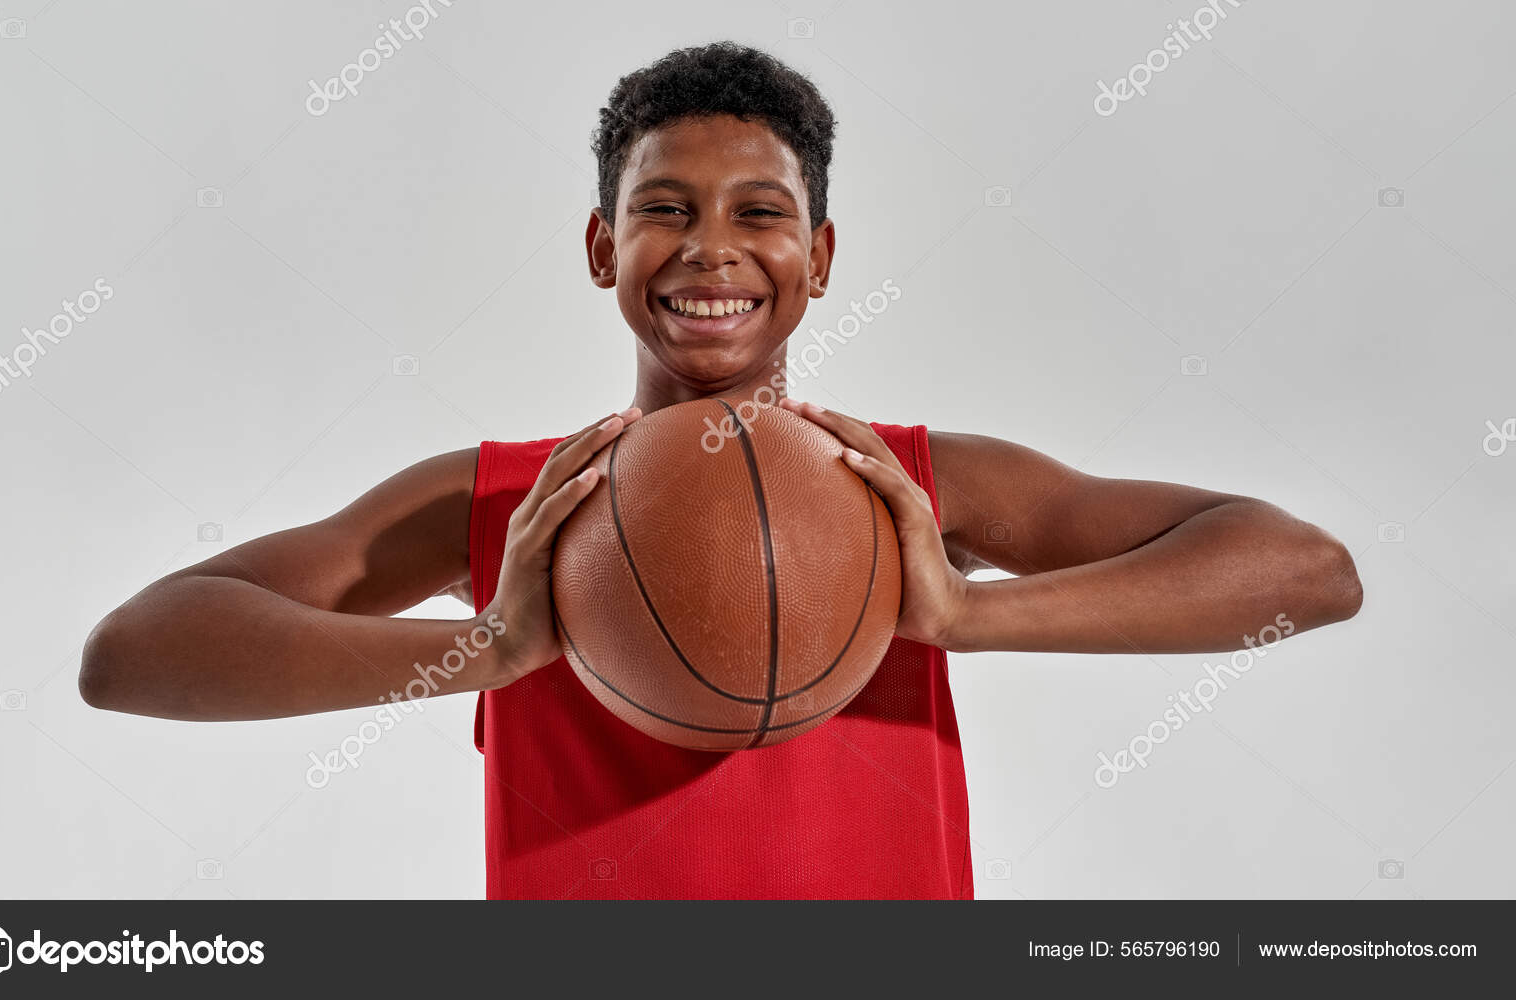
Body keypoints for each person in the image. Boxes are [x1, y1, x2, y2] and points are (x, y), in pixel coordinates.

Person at [79, 42, 1363, 898]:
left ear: (820, 253)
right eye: (663, 207)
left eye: (760, 211)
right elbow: (133, 653)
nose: (711, 250)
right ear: (601, 244)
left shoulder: (911, 485)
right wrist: (491, 649)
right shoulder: (503, 501)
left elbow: (1306, 572)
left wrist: (967, 613)